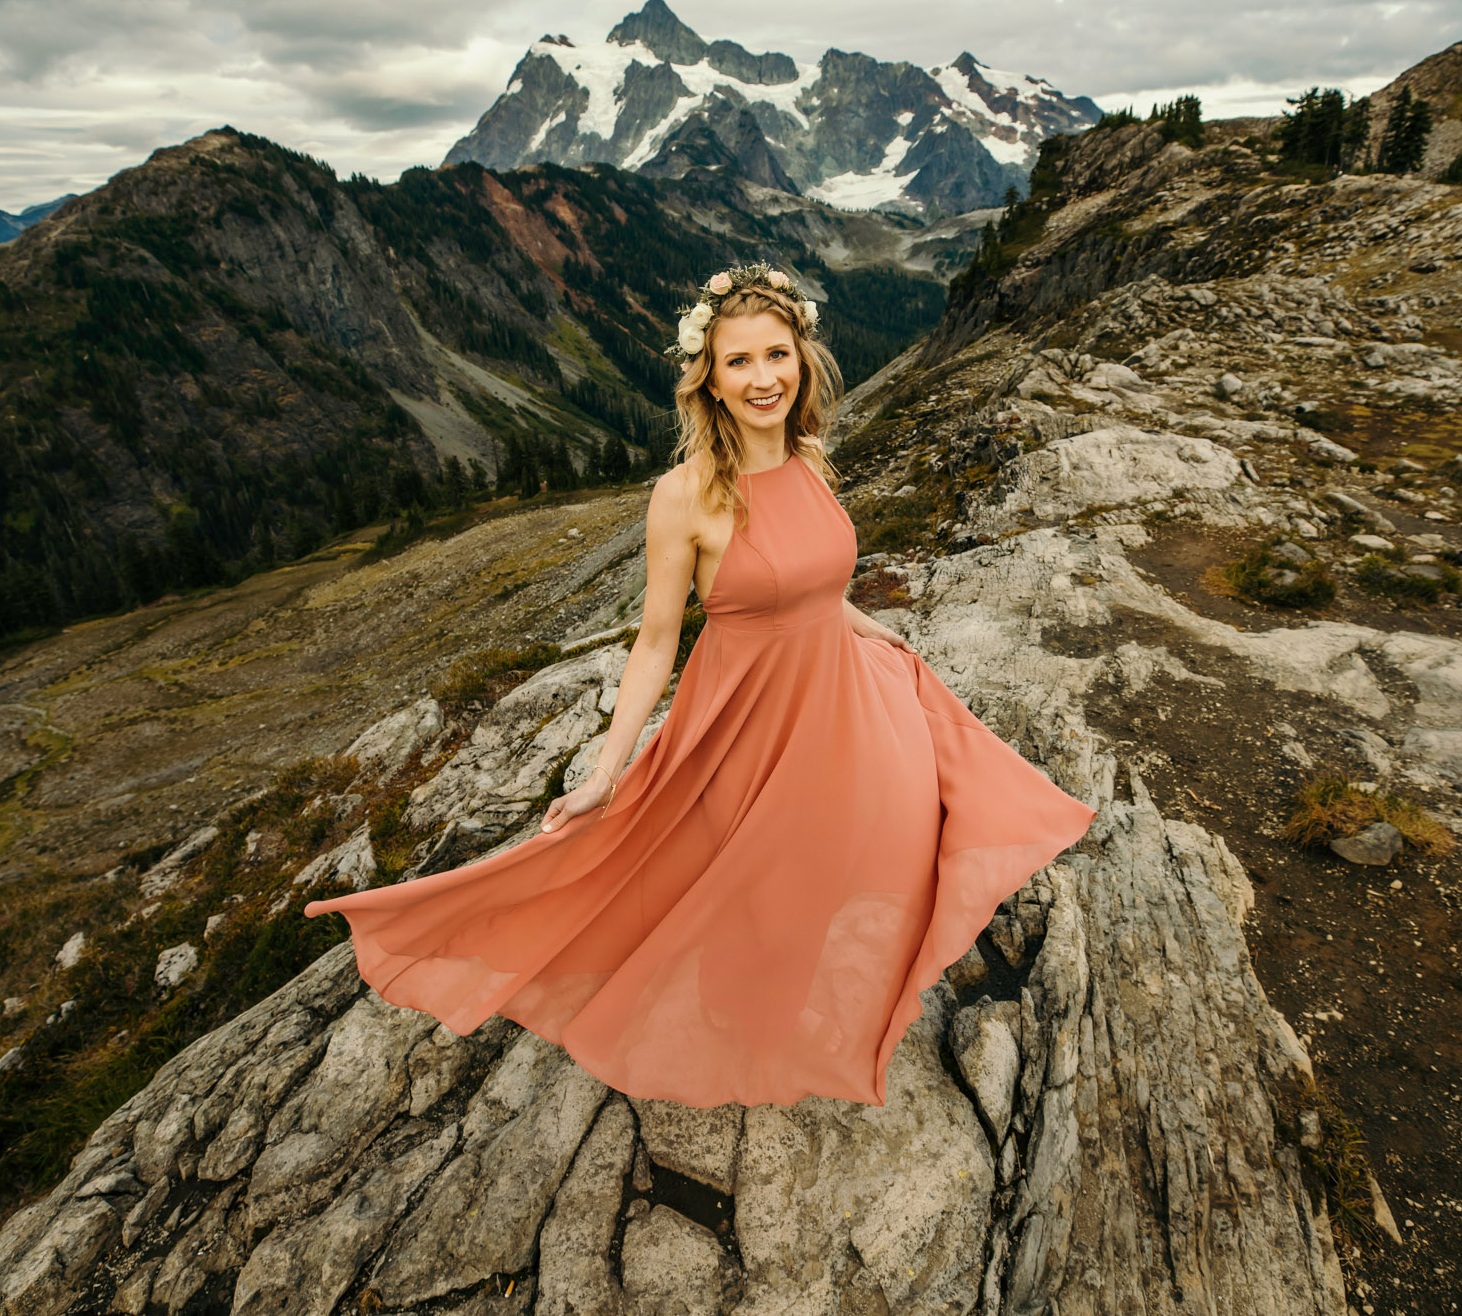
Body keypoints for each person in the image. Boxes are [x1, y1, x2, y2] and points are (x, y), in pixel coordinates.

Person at [304, 261, 1098, 1108]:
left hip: (842, 706)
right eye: (740, 362)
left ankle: (795, 1013)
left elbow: (818, 590)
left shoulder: (811, 460)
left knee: (857, 863)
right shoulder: (683, 497)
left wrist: (879, 635)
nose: (764, 378)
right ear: (709, 381)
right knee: (745, 893)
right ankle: (734, 1034)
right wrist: (605, 773)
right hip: (740, 729)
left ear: (802, 359)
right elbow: (653, 644)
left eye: (777, 355)